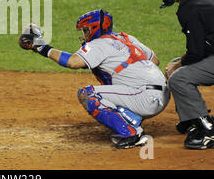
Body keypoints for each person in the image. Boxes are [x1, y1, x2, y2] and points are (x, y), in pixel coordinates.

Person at [18, 9, 170, 149]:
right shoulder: (125, 38)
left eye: (86, 30)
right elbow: (155, 60)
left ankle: (132, 133)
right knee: (113, 82)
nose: (84, 35)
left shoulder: (99, 44)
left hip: (145, 98)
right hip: (162, 95)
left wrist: (40, 47)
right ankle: (132, 117)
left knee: (89, 94)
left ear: (95, 29)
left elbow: (73, 62)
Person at [158, 0, 214, 150]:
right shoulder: (197, 1)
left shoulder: (191, 8)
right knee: (179, 67)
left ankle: (208, 130)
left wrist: (178, 65)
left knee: (179, 77)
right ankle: (192, 118)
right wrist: (179, 62)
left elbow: (196, 52)